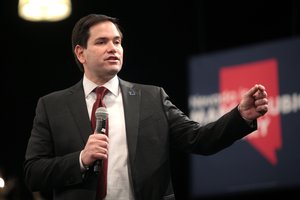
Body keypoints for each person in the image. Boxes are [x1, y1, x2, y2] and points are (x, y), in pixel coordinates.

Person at [23, 14, 268, 200]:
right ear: (81, 53)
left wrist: (240, 116)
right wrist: (80, 159)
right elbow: (33, 173)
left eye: (117, 41)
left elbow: (199, 139)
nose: (113, 48)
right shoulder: (52, 105)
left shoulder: (152, 97)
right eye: (101, 42)